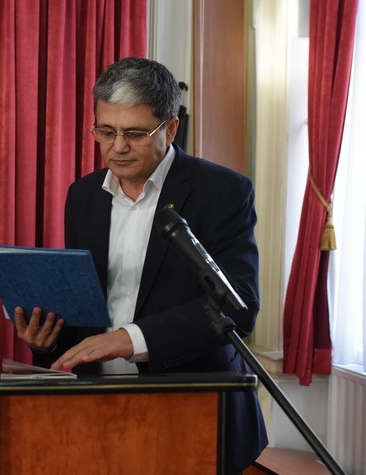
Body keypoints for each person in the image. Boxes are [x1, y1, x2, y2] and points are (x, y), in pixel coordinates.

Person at [15, 57, 268, 474]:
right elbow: (88, 308)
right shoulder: (83, 195)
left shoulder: (223, 191)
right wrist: (47, 341)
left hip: (193, 411)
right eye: (106, 131)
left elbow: (237, 307)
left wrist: (130, 338)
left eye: (134, 133)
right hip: (97, 410)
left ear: (170, 128)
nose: (117, 147)